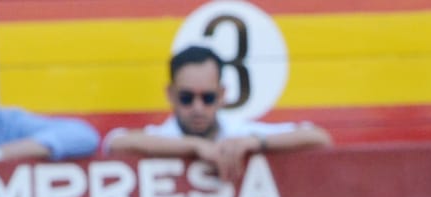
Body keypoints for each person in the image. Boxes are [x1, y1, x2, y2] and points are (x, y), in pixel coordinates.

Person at [103, 45, 330, 183]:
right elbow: (115, 142)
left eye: (208, 98)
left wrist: (256, 143)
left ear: (222, 95)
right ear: (170, 95)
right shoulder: (159, 138)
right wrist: (194, 146)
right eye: (187, 98)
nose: (198, 108)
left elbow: (319, 139)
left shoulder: (240, 133)